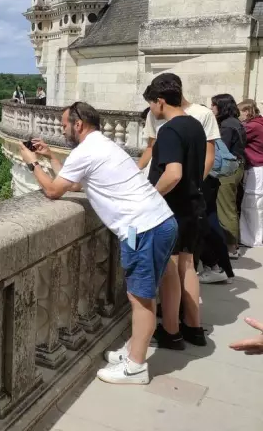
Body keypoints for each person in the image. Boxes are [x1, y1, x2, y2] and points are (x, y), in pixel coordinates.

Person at [19, 101, 176, 385]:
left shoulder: (87, 150)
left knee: (140, 299)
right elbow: (77, 183)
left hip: (143, 228)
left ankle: (136, 367)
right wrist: (50, 156)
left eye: (65, 124)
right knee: (143, 294)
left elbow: (54, 191)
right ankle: (133, 350)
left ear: (78, 124)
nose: (62, 128)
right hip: (156, 221)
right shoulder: (102, 145)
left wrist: (31, 162)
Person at [144, 76, 208, 350]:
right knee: (189, 266)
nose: (151, 110)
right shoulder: (195, 125)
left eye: (151, 104)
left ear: (160, 101)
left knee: (169, 269)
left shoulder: (170, 131)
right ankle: (194, 327)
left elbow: (173, 174)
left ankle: (171, 331)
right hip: (194, 206)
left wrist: (150, 196)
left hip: (173, 209)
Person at [211, 94, 246, 259]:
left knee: (225, 208)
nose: (211, 108)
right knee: (228, 206)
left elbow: (221, 151)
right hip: (237, 167)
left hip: (229, 170)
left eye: (214, 105)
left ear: (221, 106)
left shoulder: (226, 126)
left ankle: (232, 247)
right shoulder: (234, 122)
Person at [239, 99, 263, 248]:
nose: (238, 115)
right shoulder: (259, 124)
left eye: (239, 112)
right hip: (258, 168)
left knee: (252, 205)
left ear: (247, 112)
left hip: (256, 168)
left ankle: (253, 239)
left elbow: (238, 136)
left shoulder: (253, 127)